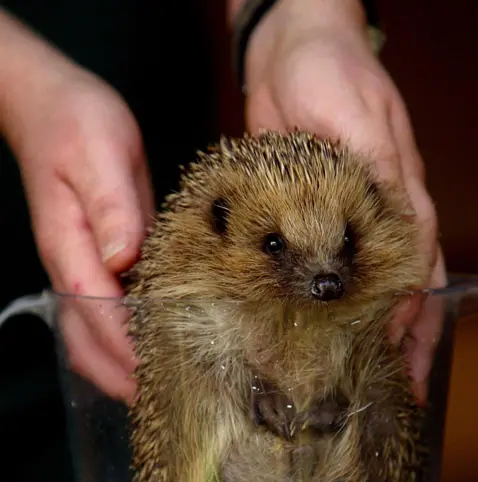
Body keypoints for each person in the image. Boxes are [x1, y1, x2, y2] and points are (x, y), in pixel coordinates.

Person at [0, 0, 444, 407]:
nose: (327, 281)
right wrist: (23, 88)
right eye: (275, 247)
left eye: (346, 241)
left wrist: (296, 15)